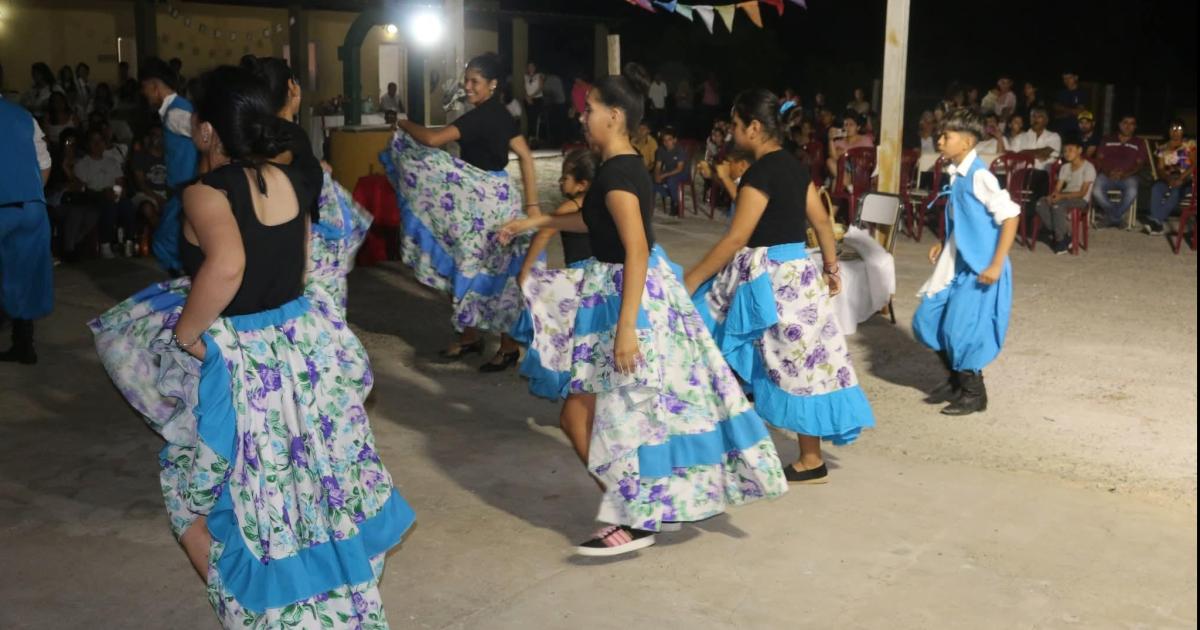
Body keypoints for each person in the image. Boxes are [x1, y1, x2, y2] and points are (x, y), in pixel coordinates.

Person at [89, 65, 413, 628]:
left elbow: (229, 266)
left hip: (244, 366)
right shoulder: (288, 182)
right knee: (308, 494)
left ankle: (255, 614)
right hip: (298, 355)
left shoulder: (204, 194)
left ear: (209, 131)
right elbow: (302, 262)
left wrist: (187, 332)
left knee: (205, 496)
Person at [499, 64, 787, 556]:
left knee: (616, 418)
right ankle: (644, 506)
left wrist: (627, 329)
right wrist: (537, 221)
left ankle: (634, 516)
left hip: (626, 298)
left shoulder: (615, 173)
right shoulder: (625, 166)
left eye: (589, 109)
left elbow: (633, 247)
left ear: (614, 115)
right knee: (611, 416)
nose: (582, 116)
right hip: (625, 293)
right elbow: (597, 222)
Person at [685, 88, 875, 483]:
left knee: (712, 340)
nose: (732, 133)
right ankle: (808, 458)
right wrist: (830, 269)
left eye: (736, 126)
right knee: (802, 362)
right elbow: (822, 223)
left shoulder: (760, 172)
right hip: (798, 276)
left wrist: (691, 279)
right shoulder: (793, 165)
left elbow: (737, 238)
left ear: (754, 128)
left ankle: (714, 442)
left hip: (766, 278)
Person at [385, 52, 539, 371]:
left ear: (492, 85)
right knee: (480, 267)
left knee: (484, 271)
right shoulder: (501, 114)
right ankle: (470, 336)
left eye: (475, 82)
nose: (468, 87)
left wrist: (401, 121)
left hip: (482, 205)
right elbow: (525, 156)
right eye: (466, 80)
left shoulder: (479, 117)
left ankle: (507, 346)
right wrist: (531, 204)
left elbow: (432, 139)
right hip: (499, 195)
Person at [913, 109, 1020, 416]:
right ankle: (956, 379)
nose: (940, 139)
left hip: (982, 268)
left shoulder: (980, 176)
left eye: (947, 136)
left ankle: (974, 393)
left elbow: (1011, 216)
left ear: (968, 141)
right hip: (958, 261)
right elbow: (963, 217)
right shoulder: (956, 172)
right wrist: (944, 242)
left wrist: (996, 264)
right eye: (940, 135)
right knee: (927, 319)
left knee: (960, 330)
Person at [0, 94, 54, 365]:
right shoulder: (24, 116)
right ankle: (24, 345)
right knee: (26, 273)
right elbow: (44, 164)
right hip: (32, 205)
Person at [140, 57, 198, 276]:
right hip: (184, 189)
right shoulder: (175, 111)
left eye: (145, 88)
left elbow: (205, 136)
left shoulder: (175, 114)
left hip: (185, 189)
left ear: (155, 87)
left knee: (164, 244)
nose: (144, 94)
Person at [74, 128, 136, 258]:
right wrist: (103, 193)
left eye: (100, 141)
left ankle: (129, 242)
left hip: (112, 193)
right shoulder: (82, 164)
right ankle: (105, 244)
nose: (97, 144)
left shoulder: (112, 162)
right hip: (93, 195)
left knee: (126, 204)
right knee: (108, 204)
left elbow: (120, 181)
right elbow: (82, 187)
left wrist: (119, 191)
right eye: (93, 141)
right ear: (88, 144)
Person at [1035, 137, 1096, 254]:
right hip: (1065, 196)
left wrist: (1060, 197)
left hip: (1080, 200)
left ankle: (1060, 241)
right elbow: (1058, 188)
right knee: (1040, 203)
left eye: (1070, 150)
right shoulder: (1065, 167)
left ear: (1079, 150)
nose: (1067, 153)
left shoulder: (1088, 168)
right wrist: (1052, 196)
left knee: (1057, 205)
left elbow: (1082, 193)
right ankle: (1065, 236)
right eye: (1065, 151)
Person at [1091, 115, 1149, 228]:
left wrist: (1125, 174)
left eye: (1131, 124)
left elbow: (1140, 164)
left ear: (1135, 127)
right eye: (1125, 122)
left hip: (1128, 176)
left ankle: (1111, 217)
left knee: (1132, 191)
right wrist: (1108, 172)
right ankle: (1117, 217)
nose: (1128, 126)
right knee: (1096, 191)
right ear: (1120, 124)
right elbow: (1099, 159)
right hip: (1107, 175)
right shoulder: (1107, 139)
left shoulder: (1139, 142)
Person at [1145, 119, 1197, 235]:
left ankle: (1156, 221)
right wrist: (1169, 179)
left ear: (1183, 131)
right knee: (1156, 188)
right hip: (1169, 179)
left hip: (1187, 179)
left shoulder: (1190, 144)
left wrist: (1181, 178)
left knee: (1176, 192)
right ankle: (1157, 224)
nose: (1176, 132)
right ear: (1168, 131)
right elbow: (1160, 169)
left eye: (1179, 129)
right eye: (1173, 128)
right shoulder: (1162, 148)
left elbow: (1194, 164)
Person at [130, 124, 170, 241]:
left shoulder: (169, 157)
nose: (158, 139)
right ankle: (164, 239)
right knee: (148, 208)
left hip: (166, 193)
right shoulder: (140, 156)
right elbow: (141, 184)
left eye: (161, 136)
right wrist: (159, 199)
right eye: (155, 135)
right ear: (149, 138)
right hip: (146, 194)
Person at [1015, 108, 1061, 200]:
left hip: (1043, 173)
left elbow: (1045, 152)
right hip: (1022, 172)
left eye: (1039, 117)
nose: (1035, 119)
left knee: (1037, 176)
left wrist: (1024, 152)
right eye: (1033, 116)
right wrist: (1039, 154)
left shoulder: (1053, 136)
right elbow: (1014, 156)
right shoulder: (1020, 137)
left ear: (1046, 120)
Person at [826, 111, 874, 190]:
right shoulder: (839, 142)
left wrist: (847, 153)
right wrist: (830, 140)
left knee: (836, 180)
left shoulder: (865, 140)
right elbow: (833, 158)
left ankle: (848, 187)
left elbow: (870, 159)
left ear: (858, 127)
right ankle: (849, 186)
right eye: (845, 124)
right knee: (830, 162)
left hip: (860, 172)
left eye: (851, 125)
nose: (847, 127)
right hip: (843, 171)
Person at [653, 126, 688, 217]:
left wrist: (663, 175)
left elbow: (679, 168)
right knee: (651, 180)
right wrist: (657, 175)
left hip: (682, 173)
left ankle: (676, 203)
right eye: (664, 140)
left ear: (674, 140)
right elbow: (658, 166)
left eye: (669, 139)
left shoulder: (679, 150)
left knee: (671, 180)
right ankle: (671, 197)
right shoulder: (660, 150)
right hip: (669, 172)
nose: (666, 142)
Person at [1052, 72, 1086, 136]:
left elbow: (1079, 112)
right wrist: (1071, 111)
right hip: (1061, 128)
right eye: (1064, 78)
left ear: (1076, 77)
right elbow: (1055, 110)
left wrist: (1063, 109)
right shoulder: (1061, 93)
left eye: (1069, 78)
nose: (1067, 81)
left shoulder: (1081, 92)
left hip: (1076, 129)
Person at [523, 62, 545, 142]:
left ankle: (533, 137)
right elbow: (524, 88)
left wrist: (531, 96)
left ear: (535, 67)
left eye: (532, 66)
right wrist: (527, 96)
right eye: (529, 66)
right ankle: (529, 136)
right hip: (527, 99)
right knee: (529, 118)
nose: (530, 68)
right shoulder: (525, 76)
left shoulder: (539, 75)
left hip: (537, 99)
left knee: (534, 118)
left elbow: (541, 88)